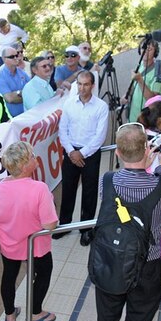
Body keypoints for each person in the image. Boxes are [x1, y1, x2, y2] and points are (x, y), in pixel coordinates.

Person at [93, 123, 161, 321]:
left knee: (107, 317)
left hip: (110, 260)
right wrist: (159, 163)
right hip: (146, 265)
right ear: (146, 150)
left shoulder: (107, 181)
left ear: (117, 153)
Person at [0, 142, 59, 321]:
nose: (35, 158)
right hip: (35, 245)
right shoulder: (39, 189)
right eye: (31, 156)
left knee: (9, 275)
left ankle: (9, 314)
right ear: (24, 166)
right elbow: (50, 224)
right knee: (44, 273)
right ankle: (35, 312)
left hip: (9, 242)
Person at [56, 72, 109, 244]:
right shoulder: (69, 104)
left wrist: (82, 153)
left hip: (90, 154)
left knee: (89, 192)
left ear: (92, 85)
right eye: (79, 84)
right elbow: (62, 130)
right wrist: (72, 152)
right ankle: (64, 225)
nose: (82, 88)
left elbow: (100, 136)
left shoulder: (101, 107)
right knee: (68, 190)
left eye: (86, 84)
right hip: (71, 152)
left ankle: (86, 229)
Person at [127, 39, 161, 123]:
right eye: (143, 48)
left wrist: (140, 80)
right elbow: (133, 89)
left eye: (149, 49)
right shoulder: (138, 67)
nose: (145, 51)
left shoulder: (158, 71)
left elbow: (153, 100)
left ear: (155, 52)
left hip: (148, 120)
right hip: (133, 118)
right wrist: (126, 96)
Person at [0, 46, 29, 117]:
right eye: (12, 56)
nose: (16, 58)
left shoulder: (22, 72)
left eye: (16, 55)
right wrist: (25, 94)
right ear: (4, 59)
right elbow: (10, 99)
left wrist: (18, 93)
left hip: (27, 114)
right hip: (12, 120)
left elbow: (31, 90)